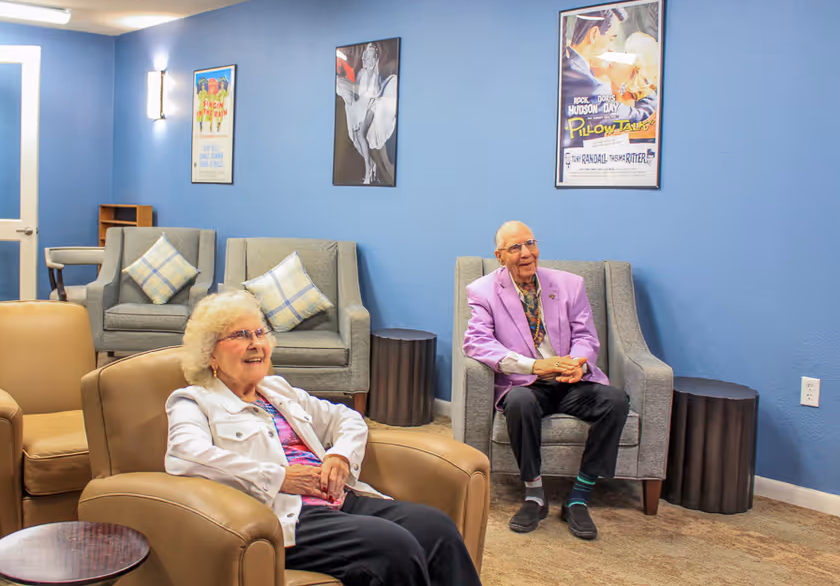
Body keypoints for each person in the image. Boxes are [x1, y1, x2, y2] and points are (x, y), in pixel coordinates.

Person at [166, 291, 482, 586]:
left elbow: (347, 418)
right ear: (211, 354)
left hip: (339, 497)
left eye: (259, 333)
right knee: (394, 547)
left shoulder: (277, 390)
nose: (255, 343)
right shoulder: (194, 401)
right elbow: (185, 455)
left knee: (437, 528)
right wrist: (279, 478)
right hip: (286, 515)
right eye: (240, 335)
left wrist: (340, 455)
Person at [463, 221, 629, 540]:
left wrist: (579, 363)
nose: (526, 253)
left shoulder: (570, 284)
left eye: (530, 244)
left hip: (571, 382)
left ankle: (579, 497)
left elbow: (585, 336)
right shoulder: (482, 291)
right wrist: (535, 365)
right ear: (500, 256)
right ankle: (535, 495)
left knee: (616, 401)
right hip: (526, 384)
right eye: (515, 248)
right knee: (520, 402)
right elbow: (477, 342)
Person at [560, 8, 657, 148]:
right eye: (611, 39)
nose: (611, 49)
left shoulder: (565, 65)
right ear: (594, 35)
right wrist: (644, 86)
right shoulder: (589, 84)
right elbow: (643, 118)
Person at [335, 42, 398, 185]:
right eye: (366, 58)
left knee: (361, 135)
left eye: (371, 58)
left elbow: (374, 94)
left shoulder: (376, 76)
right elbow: (358, 92)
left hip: (371, 106)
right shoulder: (361, 74)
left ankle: (368, 170)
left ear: (375, 60)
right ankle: (371, 164)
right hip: (361, 106)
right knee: (355, 139)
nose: (368, 61)